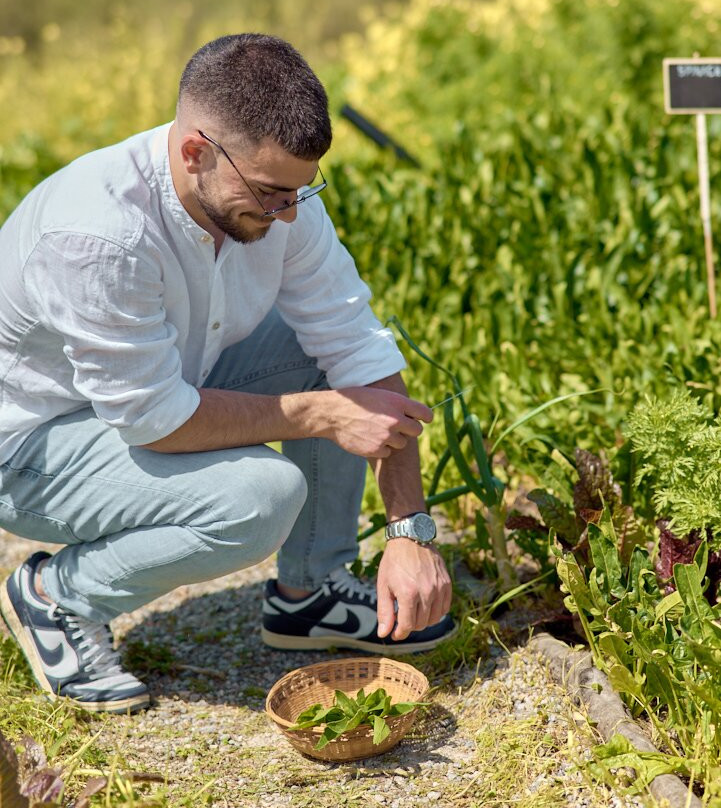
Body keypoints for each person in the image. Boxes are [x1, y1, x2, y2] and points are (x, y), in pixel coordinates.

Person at [0, 33, 454, 714]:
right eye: (271, 192)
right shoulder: (98, 237)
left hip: (148, 388)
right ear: (195, 152)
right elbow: (155, 419)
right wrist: (317, 413)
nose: (290, 213)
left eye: (301, 190)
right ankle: (56, 595)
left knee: (317, 354)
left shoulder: (277, 198)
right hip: (33, 444)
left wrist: (408, 532)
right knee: (259, 496)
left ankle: (310, 592)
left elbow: (356, 348)